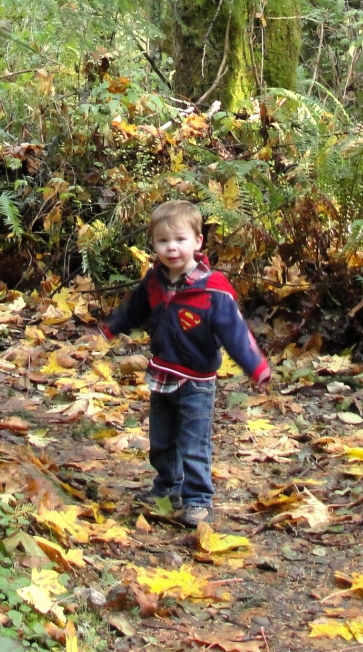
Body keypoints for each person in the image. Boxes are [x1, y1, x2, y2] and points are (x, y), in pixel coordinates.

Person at [101, 200, 270, 527]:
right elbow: (134, 308)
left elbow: (235, 331)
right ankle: (167, 487)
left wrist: (255, 365)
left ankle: (198, 500)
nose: (172, 248)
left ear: (197, 242)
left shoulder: (213, 289)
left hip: (197, 381)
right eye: (163, 241)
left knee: (194, 444)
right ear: (154, 245)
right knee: (162, 440)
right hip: (163, 373)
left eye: (179, 240)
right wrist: (112, 327)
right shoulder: (155, 281)